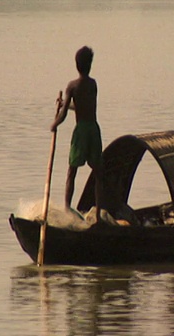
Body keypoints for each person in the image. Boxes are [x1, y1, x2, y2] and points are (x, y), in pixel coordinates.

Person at [51, 46, 103, 220]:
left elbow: (64, 114)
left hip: (81, 131)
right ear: (90, 65)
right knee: (98, 172)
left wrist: (54, 123)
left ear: (77, 65)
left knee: (72, 171)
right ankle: (98, 209)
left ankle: (67, 208)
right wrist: (64, 102)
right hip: (93, 128)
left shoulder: (72, 85)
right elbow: (84, 107)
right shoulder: (93, 84)